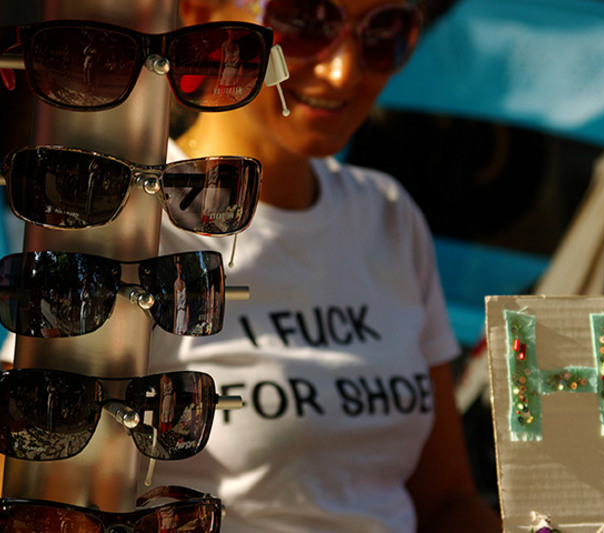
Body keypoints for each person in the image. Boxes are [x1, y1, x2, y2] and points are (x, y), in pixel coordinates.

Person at [146, 0, 503, 531]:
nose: (343, 72)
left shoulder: (387, 215)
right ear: (202, 13)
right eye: (306, 23)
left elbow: (446, 502)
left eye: (384, 32)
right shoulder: (138, 230)